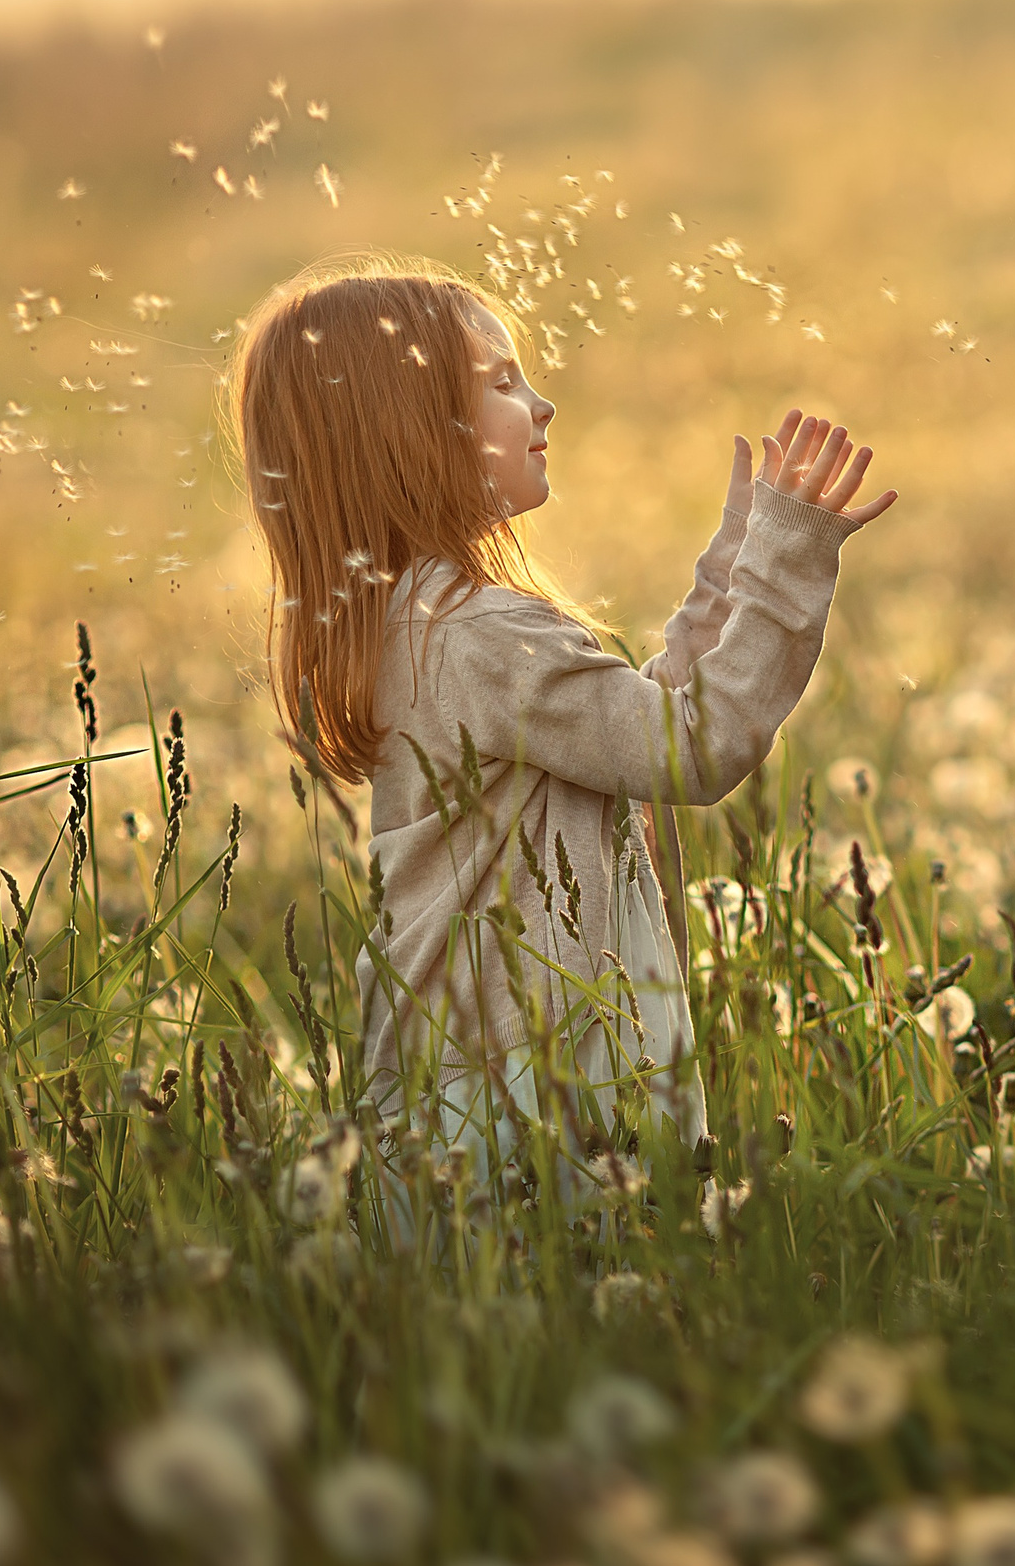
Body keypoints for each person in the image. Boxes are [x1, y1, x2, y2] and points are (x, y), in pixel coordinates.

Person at [229, 252, 896, 1204]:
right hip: (538, 1091)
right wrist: (784, 563)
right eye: (501, 383)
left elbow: (633, 735)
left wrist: (735, 573)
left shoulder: (421, 623)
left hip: (457, 1084)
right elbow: (689, 749)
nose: (541, 405)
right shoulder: (481, 632)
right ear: (406, 434)